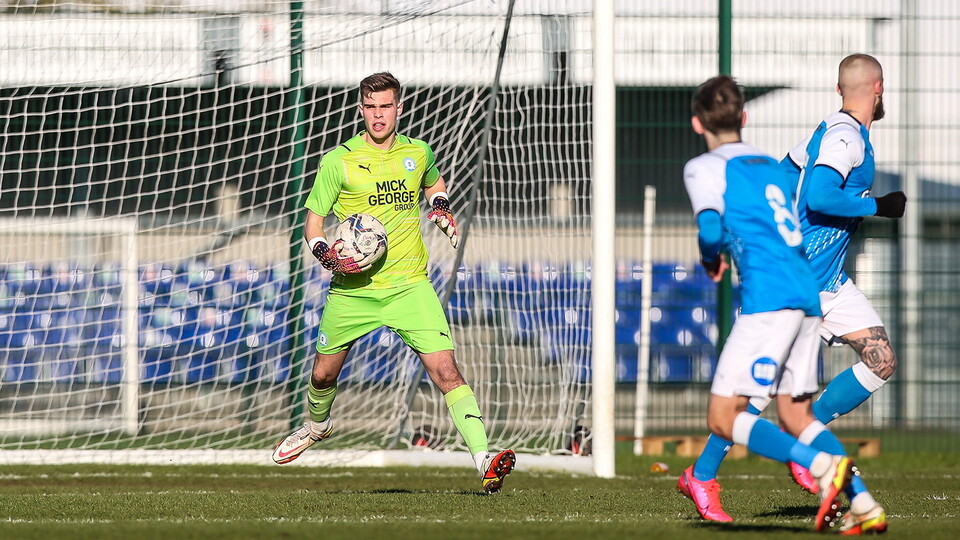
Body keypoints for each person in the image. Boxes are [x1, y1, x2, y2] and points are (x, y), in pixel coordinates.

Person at [677, 55, 896, 535]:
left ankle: (814, 465)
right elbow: (811, 194)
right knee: (779, 407)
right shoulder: (826, 141)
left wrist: (716, 255)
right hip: (806, 280)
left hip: (793, 288)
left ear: (696, 123)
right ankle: (859, 500)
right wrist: (877, 205)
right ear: (746, 117)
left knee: (731, 410)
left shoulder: (710, 165)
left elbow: (716, 226)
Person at [271, 72, 516, 494]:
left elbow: (433, 181)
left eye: (386, 106)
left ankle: (483, 459)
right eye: (371, 107)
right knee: (323, 377)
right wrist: (327, 255)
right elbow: (312, 226)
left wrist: (440, 207)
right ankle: (317, 426)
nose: (378, 114)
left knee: (446, 371)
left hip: (409, 286)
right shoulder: (338, 161)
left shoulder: (417, 152)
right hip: (354, 291)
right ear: (360, 109)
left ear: (398, 108)